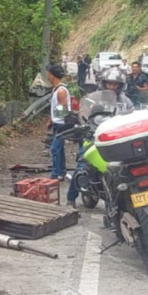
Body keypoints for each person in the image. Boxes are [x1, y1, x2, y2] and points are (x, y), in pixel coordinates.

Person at [66, 69, 133, 208]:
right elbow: (83, 112)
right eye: (109, 84)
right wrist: (83, 123)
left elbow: (133, 115)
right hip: (94, 136)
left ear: (121, 85)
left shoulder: (125, 101)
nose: (112, 87)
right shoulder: (92, 98)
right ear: (104, 83)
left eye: (115, 84)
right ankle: (70, 198)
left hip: (117, 138)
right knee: (82, 164)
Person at [47, 64, 70, 182]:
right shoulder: (55, 89)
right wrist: (51, 119)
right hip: (57, 122)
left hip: (62, 124)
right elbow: (55, 107)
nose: (47, 76)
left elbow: (64, 110)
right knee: (59, 149)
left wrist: (55, 118)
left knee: (55, 148)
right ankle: (61, 172)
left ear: (52, 75)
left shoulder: (61, 91)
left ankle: (55, 174)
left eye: (49, 74)